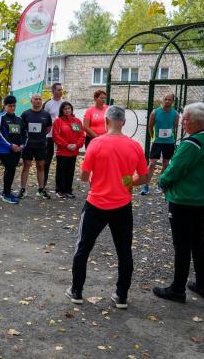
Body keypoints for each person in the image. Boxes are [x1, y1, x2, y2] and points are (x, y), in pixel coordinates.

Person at [66, 105, 148, 309]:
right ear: (124, 122)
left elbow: (84, 176)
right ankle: (121, 295)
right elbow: (144, 177)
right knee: (124, 250)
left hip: (96, 204)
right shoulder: (135, 145)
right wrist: (127, 181)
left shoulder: (96, 143)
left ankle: (76, 291)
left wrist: (95, 177)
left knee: (83, 247)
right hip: (122, 205)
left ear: (106, 121)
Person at [153, 102, 204, 303]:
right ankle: (201, 283)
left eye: (186, 118)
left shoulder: (191, 144)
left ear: (195, 121)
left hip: (183, 200)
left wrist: (161, 182)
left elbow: (173, 170)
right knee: (197, 241)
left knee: (181, 244)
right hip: (201, 200)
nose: (182, 121)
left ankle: (177, 288)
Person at [141, 93, 179, 195]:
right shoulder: (155, 112)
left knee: (166, 163)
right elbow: (150, 126)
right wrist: (153, 137)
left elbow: (175, 127)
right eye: (165, 99)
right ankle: (146, 184)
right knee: (152, 163)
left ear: (172, 102)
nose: (167, 101)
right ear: (162, 100)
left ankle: (160, 183)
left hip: (169, 142)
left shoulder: (175, 114)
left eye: (169, 100)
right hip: (157, 142)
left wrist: (173, 138)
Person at [19, 93, 52, 200]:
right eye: (36, 99)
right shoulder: (25, 114)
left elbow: (48, 128)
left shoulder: (46, 115)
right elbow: (21, 129)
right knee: (26, 165)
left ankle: (41, 190)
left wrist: (40, 136)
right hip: (28, 144)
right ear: (31, 101)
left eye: (39, 99)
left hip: (41, 144)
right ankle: (23, 189)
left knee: (41, 165)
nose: (38, 101)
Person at [0, 95, 25, 204]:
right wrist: (10, 145)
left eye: (14, 106)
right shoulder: (0, 117)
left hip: (17, 150)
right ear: (5, 106)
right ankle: (6, 194)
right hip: (4, 150)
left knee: (10, 170)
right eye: (10, 106)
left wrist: (22, 145)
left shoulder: (19, 119)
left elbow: (24, 134)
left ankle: (6, 191)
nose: (12, 108)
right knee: (10, 168)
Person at [52, 101, 85, 198]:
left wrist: (76, 145)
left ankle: (68, 190)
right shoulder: (58, 121)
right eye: (65, 109)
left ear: (71, 109)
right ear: (62, 110)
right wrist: (66, 145)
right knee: (61, 171)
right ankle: (60, 190)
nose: (67, 110)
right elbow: (56, 136)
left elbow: (81, 135)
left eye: (69, 108)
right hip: (62, 152)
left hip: (73, 151)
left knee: (70, 172)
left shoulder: (77, 121)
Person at [43, 83, 65, 192]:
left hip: (63, 136)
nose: (61, 92)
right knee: (47, 160)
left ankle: (60, 186)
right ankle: (43, 184)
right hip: (50, 135)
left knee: (62, 161)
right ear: (53, 91)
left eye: (61, 90)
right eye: (58, 90)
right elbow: (43, 119)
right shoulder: (48, 104)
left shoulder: (65, 103)